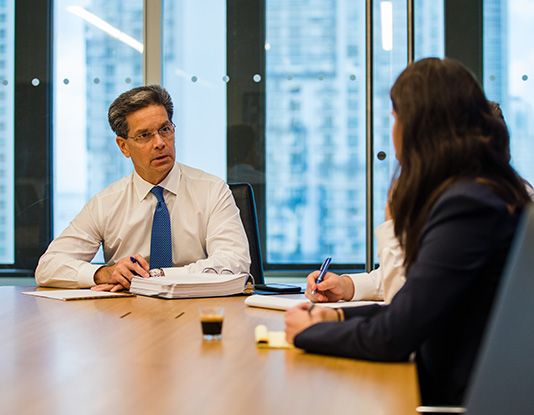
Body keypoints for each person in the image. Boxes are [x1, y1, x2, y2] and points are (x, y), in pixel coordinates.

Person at [284, 57, 532, 406]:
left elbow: (396, 336)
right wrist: (337, 314)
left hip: (456, 398)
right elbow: (412, 306)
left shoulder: (469, 204)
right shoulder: (479, 192)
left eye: (396, 117)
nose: (393, 130)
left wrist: (311, 333)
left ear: (420, 126)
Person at [305, 101, 534, 305]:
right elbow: (414, 276)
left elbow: (406, 304)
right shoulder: (465, 194)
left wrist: (392, 223)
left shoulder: (487, 204)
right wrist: (346, 286)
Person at [36, 85, 251, 291]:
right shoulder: (106, 203)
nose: (159, 143)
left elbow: (234, 262)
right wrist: (104, 273)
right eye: (144, 135)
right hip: (127, 317)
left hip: (197, 310)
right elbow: (48, 267)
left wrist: (155, 277)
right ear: (123, 146)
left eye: (164, 129)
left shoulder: (212, 190)